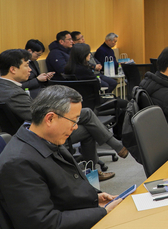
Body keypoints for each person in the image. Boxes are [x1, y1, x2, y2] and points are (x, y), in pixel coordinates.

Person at [0, 85, 122, 228]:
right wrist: (102, 212)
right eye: (74, 120)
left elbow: (63, 190)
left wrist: (94, 199)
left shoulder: (47, 139)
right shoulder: (18, 163)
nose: (76, 126)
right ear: (50, 119)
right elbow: (43, 223)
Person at [0, 49, 127, 181]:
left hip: (21, 135)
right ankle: (96, 169)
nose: (30, 69)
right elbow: (38, 117)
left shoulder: (5, 87)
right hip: (37, 137)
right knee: (89, 123)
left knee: (87, 117)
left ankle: (93, 172)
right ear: (13, 69)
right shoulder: (13, 93)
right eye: (26, 65)